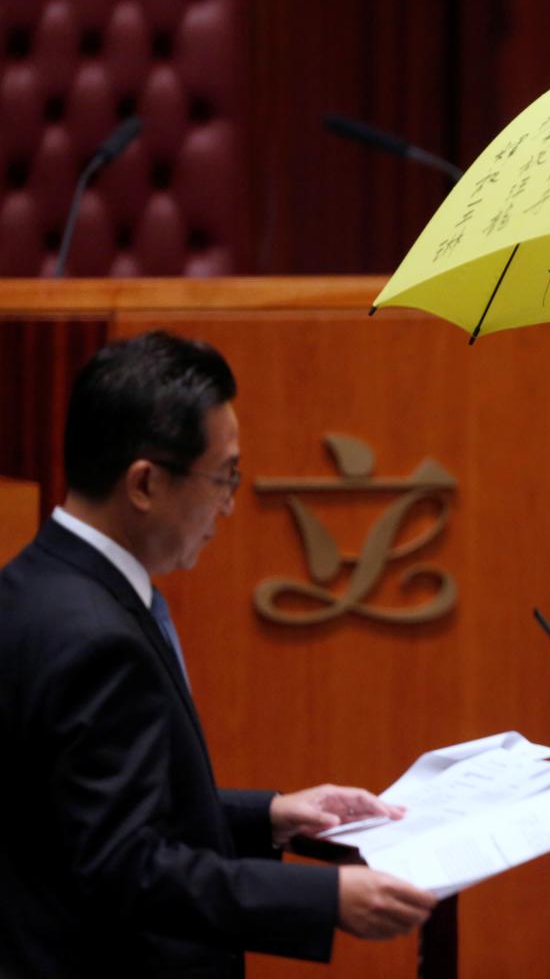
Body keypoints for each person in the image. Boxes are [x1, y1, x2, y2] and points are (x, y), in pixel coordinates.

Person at [0, 331, 438, 978]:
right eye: (223, 476)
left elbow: (78, 810)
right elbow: (126, 866)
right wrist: (325, 898)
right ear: (145, 482)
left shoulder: (28, 585)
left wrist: (269, 815)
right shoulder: (97, 638)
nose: (229, 505)